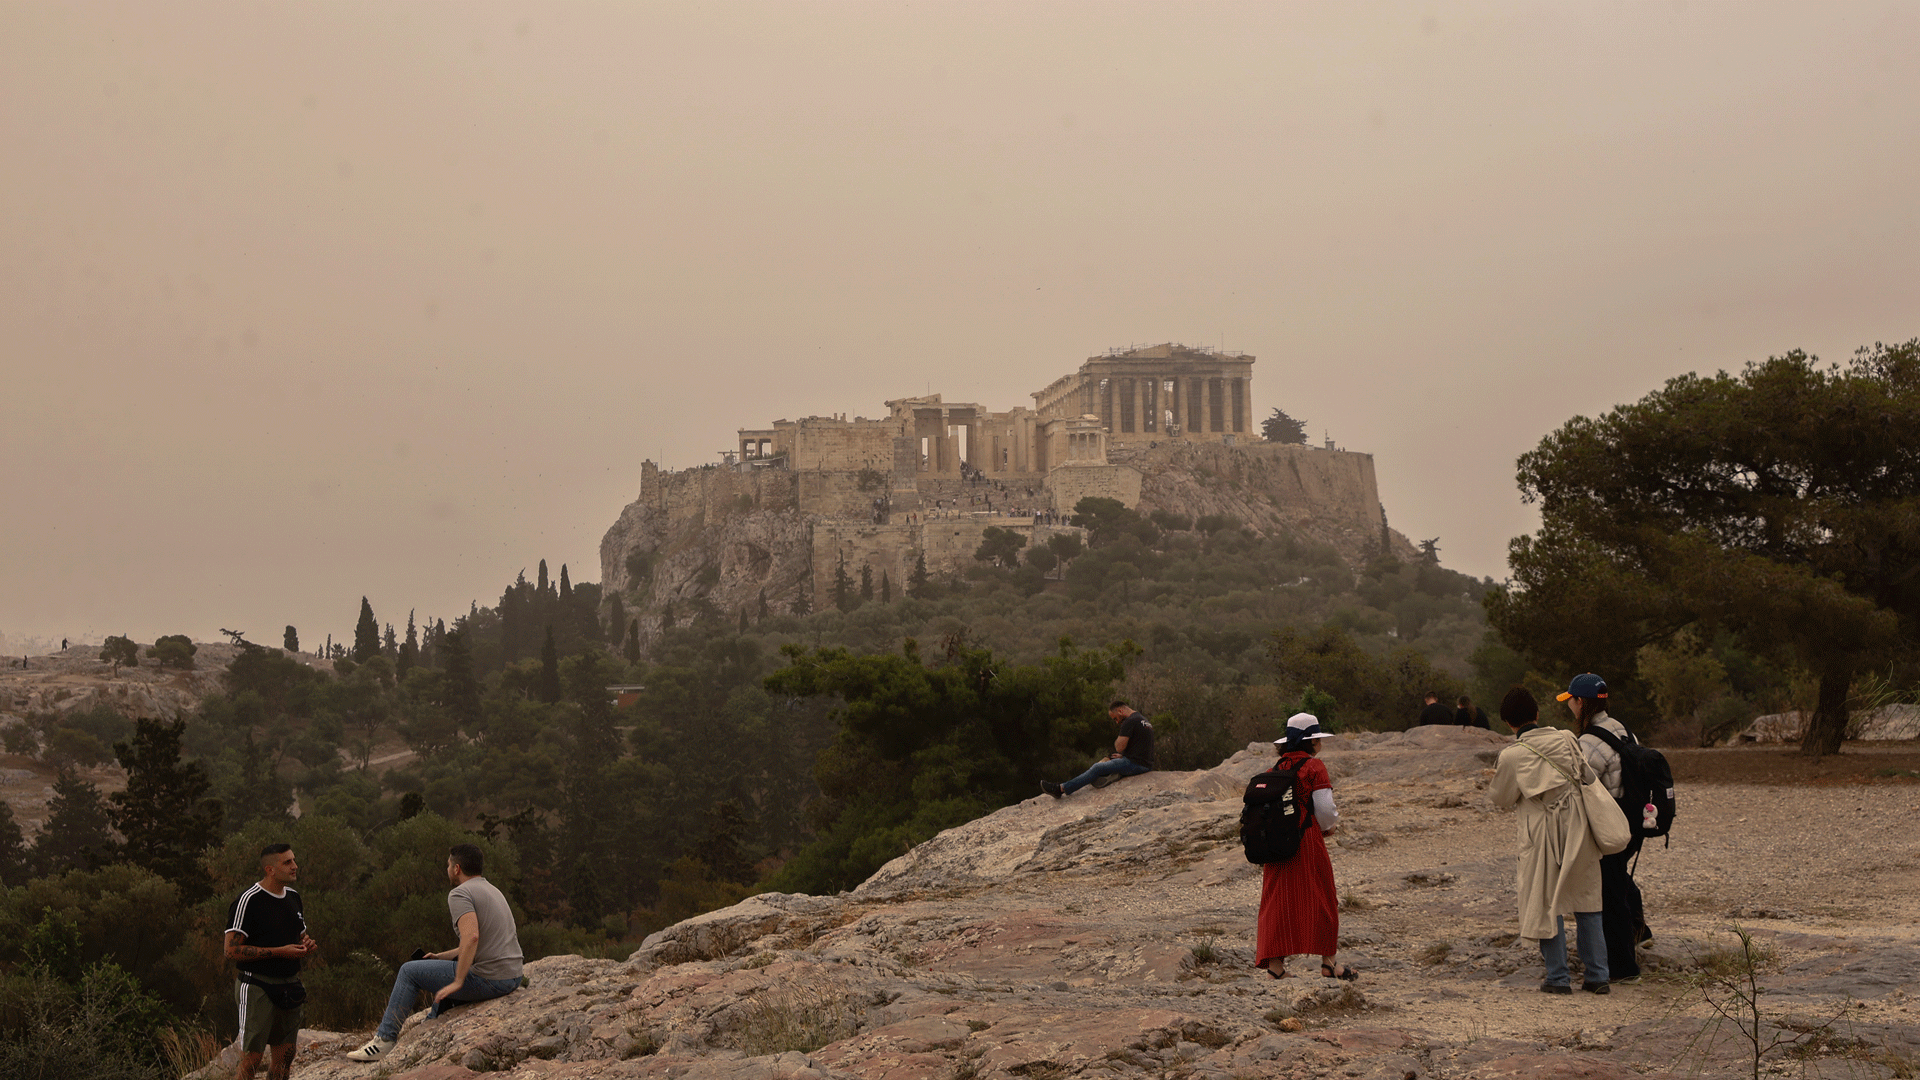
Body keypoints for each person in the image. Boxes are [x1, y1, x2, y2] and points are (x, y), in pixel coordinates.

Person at [348, 844, 524, 1063]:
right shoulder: (492, 890)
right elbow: (481, 941)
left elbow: (471, 937)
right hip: (513, 977)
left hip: (491, 979)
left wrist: (458, 981)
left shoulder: (460, 893)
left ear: (457, 868)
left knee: (408, 971)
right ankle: (430, 1026)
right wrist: (441, 957)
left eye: (448, 864)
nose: (447, 868)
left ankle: (383, 1042)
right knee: (438, 977)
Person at [1490, 686, 1610, 994]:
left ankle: (1558, 978)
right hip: (1579, 825)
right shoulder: (1567, 738)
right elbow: (1586, 775)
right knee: (1588, 900)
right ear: (1537, 714)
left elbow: (1501, 798)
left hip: (1540, 832)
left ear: (1508, 722)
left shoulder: (1512, 755)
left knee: (1545, 902)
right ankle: (1598, 976)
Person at [1254, 713, 1356, 980]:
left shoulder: (1275, 770)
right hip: (1306, 838)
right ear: (1311, 742)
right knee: (1322, 896)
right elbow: (1324, 808)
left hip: (1275, 842)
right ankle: (1329, 963)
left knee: (1277, 901)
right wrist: (1328, 827)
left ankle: (1275, 968)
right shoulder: (1314, 767)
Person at [1560, 672, 1645, 981]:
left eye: (1570, 700)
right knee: (1618, 878)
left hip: (1610, 823)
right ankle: (1640, 932)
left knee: (1609, 894)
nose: (1569, 705)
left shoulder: (1588, 742)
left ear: (1581, 702)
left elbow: (1580, 786)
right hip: (1635, 819)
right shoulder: (1624, 730)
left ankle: (1623, 967)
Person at [226, 844, 318, 1080]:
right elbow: (231, 950)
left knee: (286, 1056)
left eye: (294, 860)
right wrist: (280, 952)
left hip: (289, 985)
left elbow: (299, 934)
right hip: (257, 986)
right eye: (287, 862)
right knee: (253, 1059)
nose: (295, 866)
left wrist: (306, 944)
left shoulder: (294, 897)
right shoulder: (248, 900)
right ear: (270, 869)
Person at [1040, 701, 1154, 798]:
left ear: (1120, 711)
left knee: (1097, 767)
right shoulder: (1142, 719)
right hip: (1144, 764)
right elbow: (1142, 746)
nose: (1117, 722)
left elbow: (1119, 747)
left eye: (1115, 718)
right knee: (1110, 760)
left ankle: (1060, 789)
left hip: (1136, 765)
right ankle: (1111, 775)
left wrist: (1122, 744)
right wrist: (1124, 756)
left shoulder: (1129, 721)